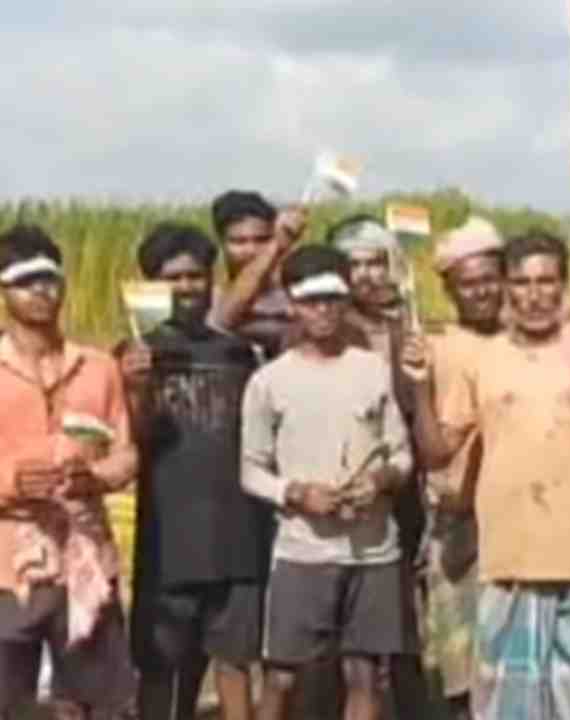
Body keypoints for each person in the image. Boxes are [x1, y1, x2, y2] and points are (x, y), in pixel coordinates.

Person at [406, 230, 570, 720]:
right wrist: (418, 388)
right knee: (509, 703)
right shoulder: (484, 359)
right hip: (507, 558)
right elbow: (438, 453)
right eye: (521, 282)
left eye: (547, 281)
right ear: (506, 287)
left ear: (564, 285)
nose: (535, 294)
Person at [241, 245, 415, 720]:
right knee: (281, 675)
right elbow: (251, 471)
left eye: (333, 298)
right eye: (311, 299)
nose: (323, 310)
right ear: (293, 305)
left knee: (364, 673)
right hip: (303, 552)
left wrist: (380, 480)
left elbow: (400, 453)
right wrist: (297, 493)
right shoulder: (269, 381)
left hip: (374, 550)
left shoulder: (372, 369)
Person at [119, 223, 269, 720]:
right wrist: (137, 388)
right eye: (173, 278)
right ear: (152, 285)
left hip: (239, 535)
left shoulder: (239, 353)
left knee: (235, 663)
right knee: (161, 669)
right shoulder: (134, 354)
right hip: (168, 543)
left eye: (196, 276)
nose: (187, 287)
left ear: (211, 280)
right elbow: (133, 442)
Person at [0, 225, 137, 719]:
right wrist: (12, 482)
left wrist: (97, 478)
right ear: (3, 290)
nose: (41, 291)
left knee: (96, 702)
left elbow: (126, 454)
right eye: (25, 280)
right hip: (9, 564)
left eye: (50, 279)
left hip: (87, 563)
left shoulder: (98, 368)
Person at [328, 215, 430, 718]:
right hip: (339, 489)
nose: (366, 275)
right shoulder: (327, 326)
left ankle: (410, 702)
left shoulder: (409, 322)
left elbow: (416, 405)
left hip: (403, 484)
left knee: (406, 608)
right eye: (354, 265)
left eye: (376, 262)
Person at [418, 216, 505, 720]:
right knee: (462, 665)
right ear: (449, 288)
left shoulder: (530, 339)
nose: (481, 292)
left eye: (490, 279)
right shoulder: (433, 348)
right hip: (457, 518)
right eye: (468, 283)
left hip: (519, 518)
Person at [209, 190, 307, 359]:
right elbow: (225, 319)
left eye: (262, 240)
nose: (251, 250)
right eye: (239, 241)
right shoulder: (211, 295)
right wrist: (277, 244)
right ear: (221, 243)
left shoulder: (295, 293)